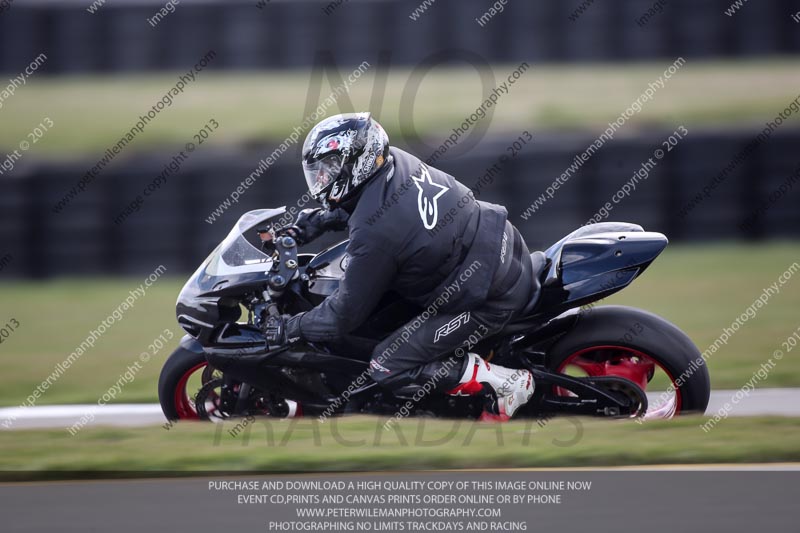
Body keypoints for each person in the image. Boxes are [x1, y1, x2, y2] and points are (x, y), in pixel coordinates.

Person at [263, 112, 537, 420]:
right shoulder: (393, 162)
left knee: (387, 363)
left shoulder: (376, 234)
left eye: (330, 167)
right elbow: (359, 207)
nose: (322, 178)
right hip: (498, 243)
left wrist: (290, 327)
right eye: (319, 170)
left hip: (491, 295)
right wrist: (307, 225)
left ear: (358, 163)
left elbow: (342, 317)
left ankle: (507, 383)